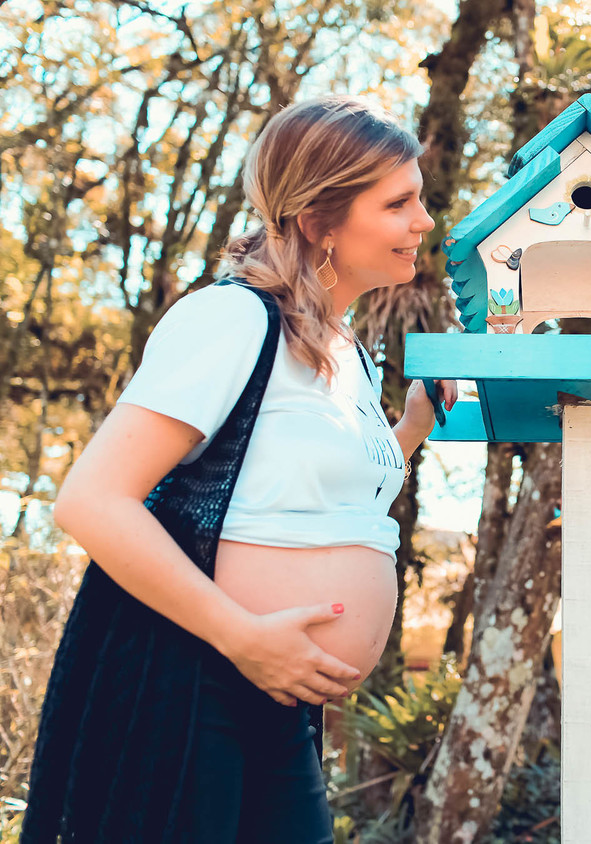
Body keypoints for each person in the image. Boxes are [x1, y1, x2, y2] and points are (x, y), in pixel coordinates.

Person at [22, 95, 456, 843]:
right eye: (399, 203)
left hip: (276, 696)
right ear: (321, 220)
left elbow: (317, 505)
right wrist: (241, 637)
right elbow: (91, 501)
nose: (423, 221)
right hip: (191, 684)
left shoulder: (342, 351)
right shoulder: (231, 319)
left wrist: (409, 428)